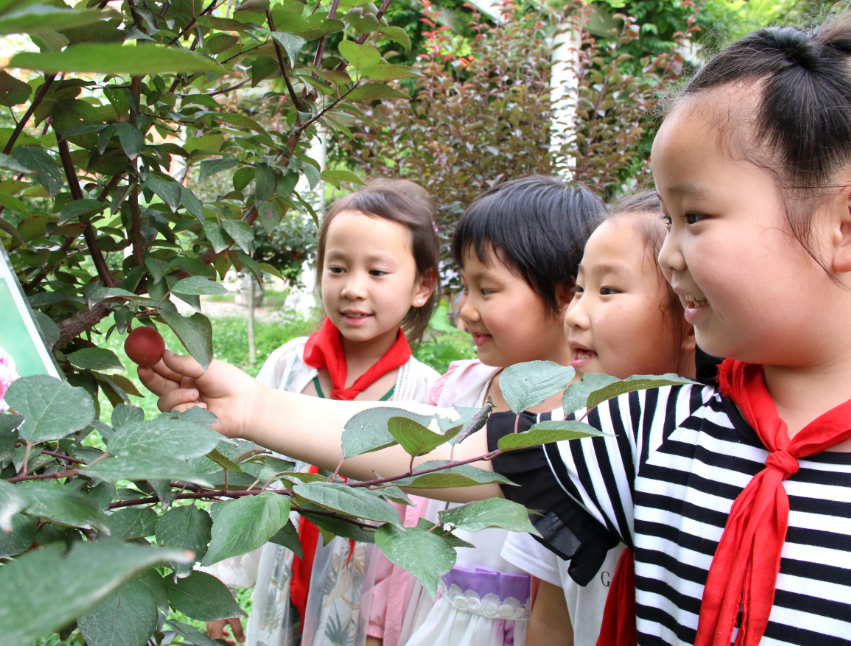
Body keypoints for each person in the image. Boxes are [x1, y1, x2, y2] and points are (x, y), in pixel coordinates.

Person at [143, 17, 851, 645]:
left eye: (693, 217)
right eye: (665, 221)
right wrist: (258, 409)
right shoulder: (657, 430)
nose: (669, 255)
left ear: (841, 226)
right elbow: (453, 445)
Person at [205, 179, 442, 646]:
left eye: (377, 272)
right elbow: (247, 476)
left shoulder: (425, 395)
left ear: (422, 285)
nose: (353, 288)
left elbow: (421, 523)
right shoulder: (289, 368)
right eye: (337, 268)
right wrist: (222, 581)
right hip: (284, 584)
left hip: (365, 614)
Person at [394, 177, 603, 646]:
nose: (465, 311)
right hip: (440, 616)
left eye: (487, 290)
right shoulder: (462, 388)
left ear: (567, 294)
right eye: (464, 288)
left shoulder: (591, 412)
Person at [500, 190, 695, 646]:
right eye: (580, 289)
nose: (575, 315)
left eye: (608, 290)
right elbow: (552, 620)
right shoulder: (566, 451)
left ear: (690, 314)